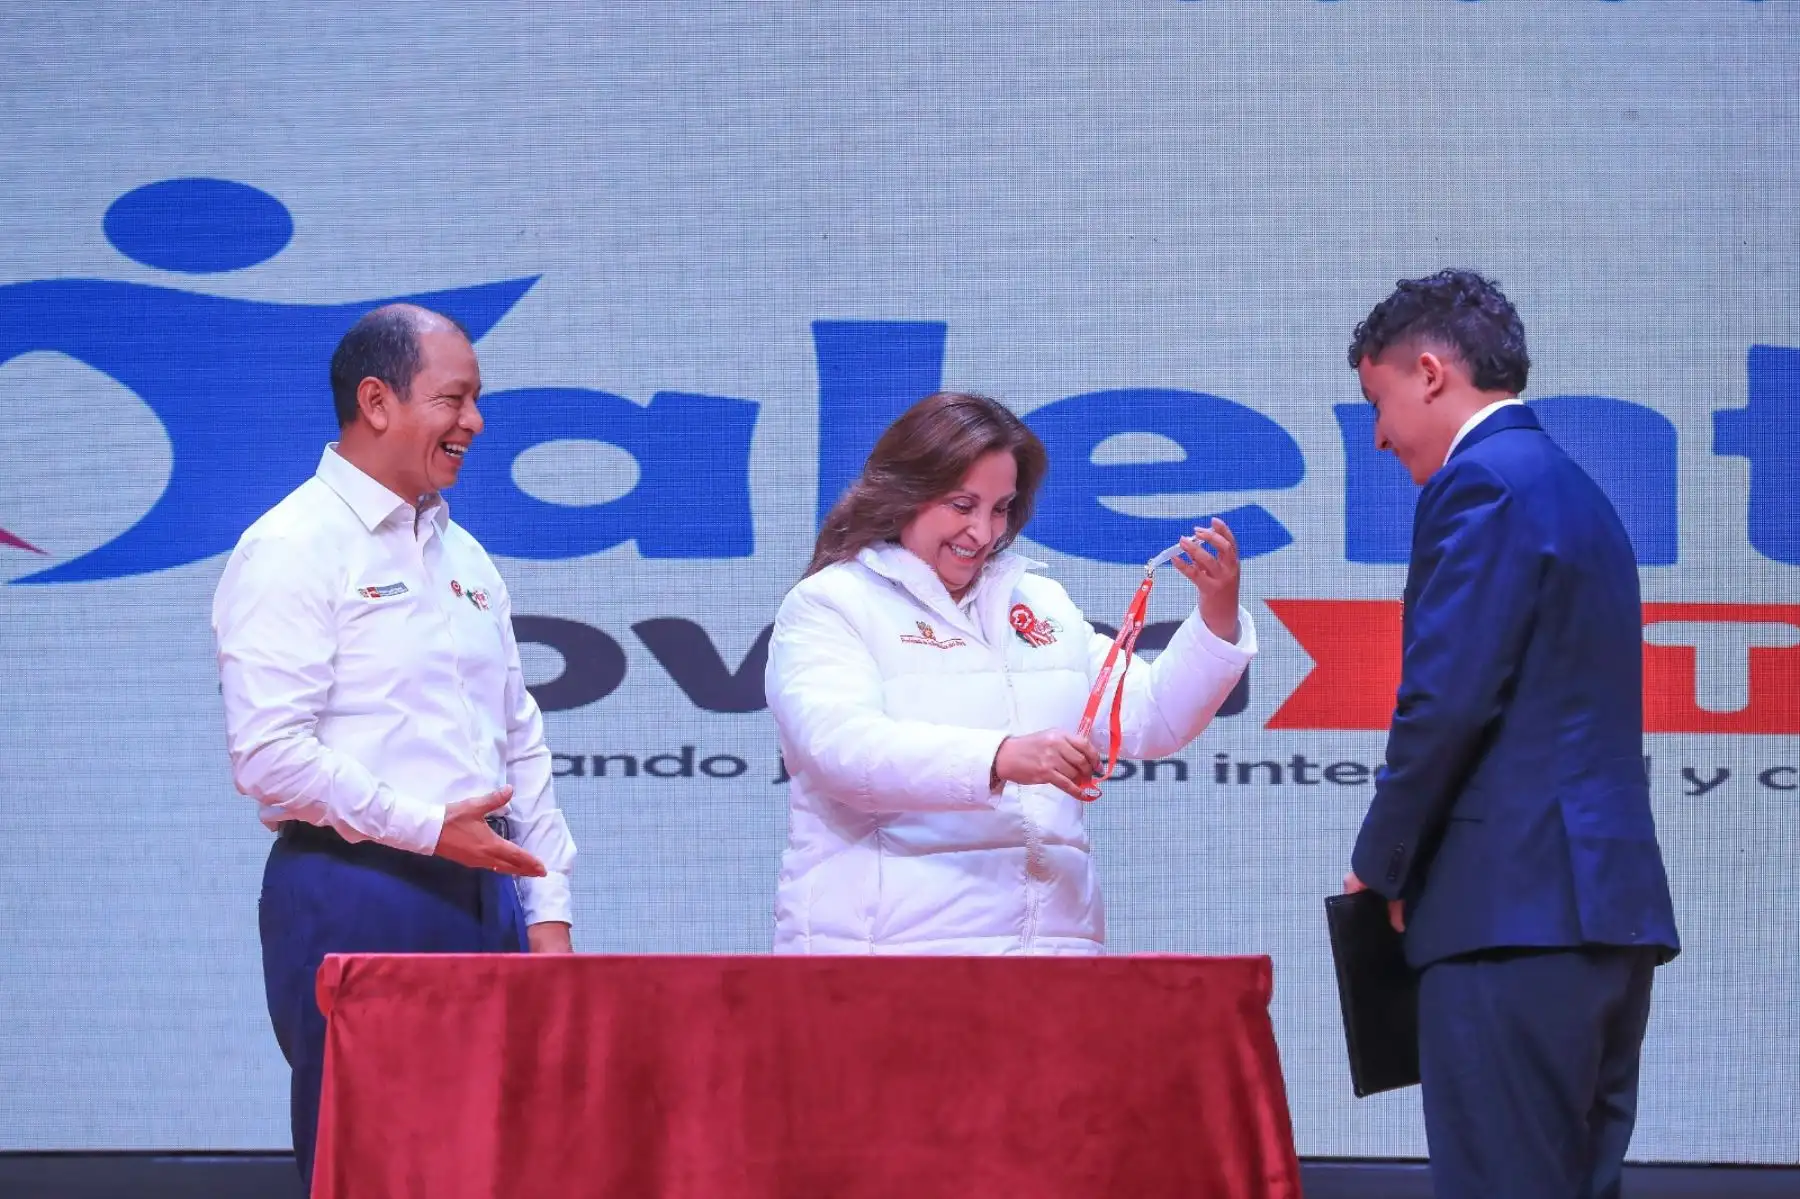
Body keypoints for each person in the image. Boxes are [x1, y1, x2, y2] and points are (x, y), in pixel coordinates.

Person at [211, 304, 577, 1187]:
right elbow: (267, 753)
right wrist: (425, 827)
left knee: (500, 1161)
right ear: (376, 401)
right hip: (356, 891)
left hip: (490, 890)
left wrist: (551, 916)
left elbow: (518, 739)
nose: (475, 423)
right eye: (454, 399)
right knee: (375, 1162)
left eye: (477, 400)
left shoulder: (466, 556)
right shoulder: (291, 547)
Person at [1342, 270, 1679, 1198]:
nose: (1376, 434)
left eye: (1378, 401)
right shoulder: (1575, 488)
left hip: (1512, 920)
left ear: (1429, 371)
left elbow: (1446, 698)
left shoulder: (1481, 482)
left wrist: (1384, 861)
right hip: (1601, 919)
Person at [766, 390, 1256, 955]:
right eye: (961, 504)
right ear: (905, 493)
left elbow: (1150, 718)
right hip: (890, 961)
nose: (983, 532)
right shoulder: (833, 603)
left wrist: (1216, 613)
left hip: (1049, 964)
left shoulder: (1039, 603)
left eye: (1000, 508)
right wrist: (999, 758)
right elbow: (840, 751)